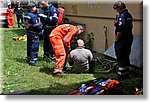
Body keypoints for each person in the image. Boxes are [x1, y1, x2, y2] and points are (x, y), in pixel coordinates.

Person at [113, 1, 133, 79]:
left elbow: (120, 30)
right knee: (126, 55)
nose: (116, 10)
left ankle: (121, 75)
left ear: (119, 8)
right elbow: (128, 26)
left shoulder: (121, 16)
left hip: (122, 39)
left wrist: (117, 39)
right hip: (129, 38)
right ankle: (126, 72)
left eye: (116, 9)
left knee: (120, 56)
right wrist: (117, 24)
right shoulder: (129, 15)